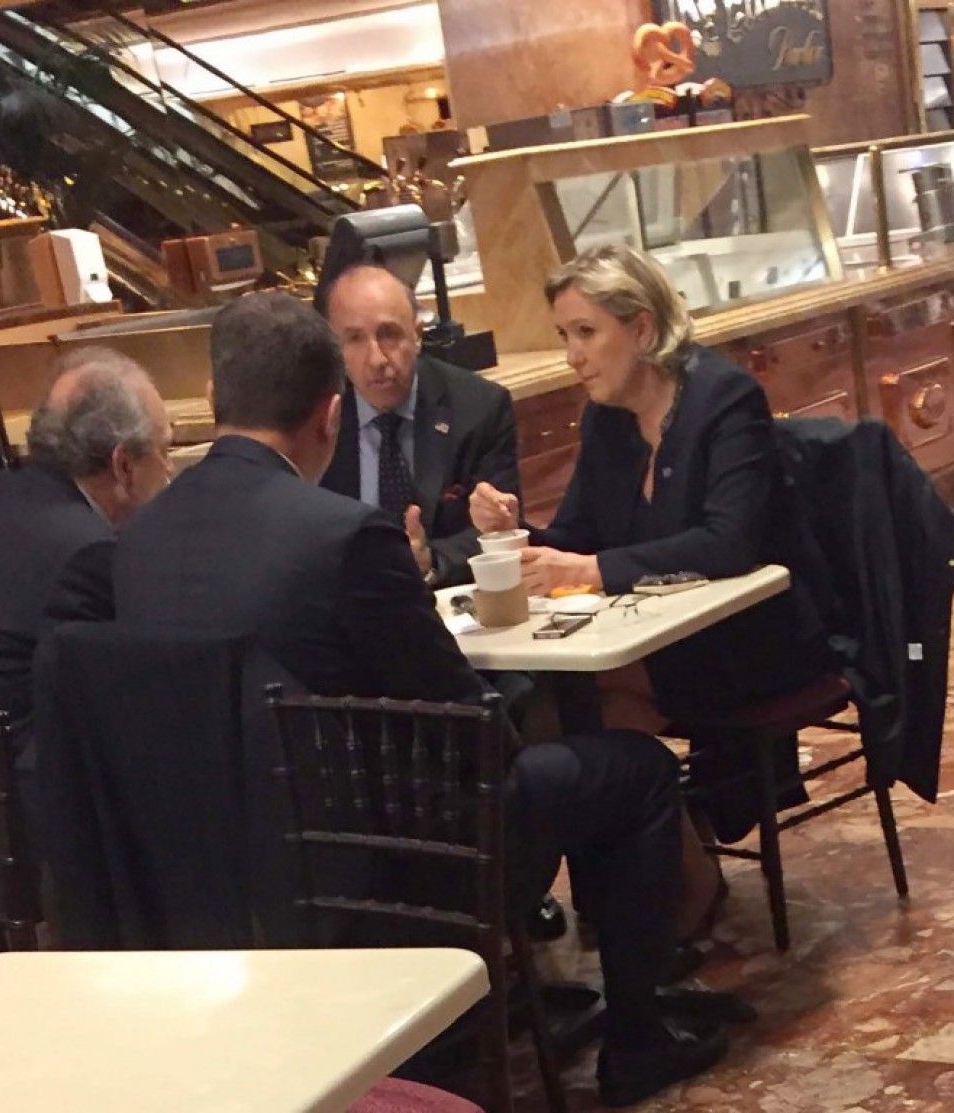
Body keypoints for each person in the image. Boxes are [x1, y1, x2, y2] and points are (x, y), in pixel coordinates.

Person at [111, 291, 729, 1106]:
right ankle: (638, 1041)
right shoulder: (341, 535)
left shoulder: (134, 540)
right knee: (634, 770)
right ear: (331, 414)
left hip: (204, 869)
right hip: (387, 865)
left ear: (213, 398)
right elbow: (463, 721)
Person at [469, 244, 833, 926]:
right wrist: (519, 533)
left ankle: (667, 887)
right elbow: (577, 534)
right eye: (564, 335)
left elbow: (729, 542)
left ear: (640, 328)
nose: (572, 356)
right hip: (665, 641)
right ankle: (643, 884)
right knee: (556, 711)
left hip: (756, 636)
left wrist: (591, 570)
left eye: (586, 332)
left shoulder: (724, 398)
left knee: (576, 711)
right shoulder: (606, 417)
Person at [0, 346, 174, 731]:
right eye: (165, 449)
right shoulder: (86, 552)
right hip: (14, 756)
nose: (170, 468)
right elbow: (127, 682)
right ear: (123, 465)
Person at [320, 264, 520, 588]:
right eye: (354, 339)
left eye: (389, 334)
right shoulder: (313, 415)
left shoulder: (479, 408)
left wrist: (429, 561)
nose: (376, 359)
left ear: (417, 335)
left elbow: (498, 532)